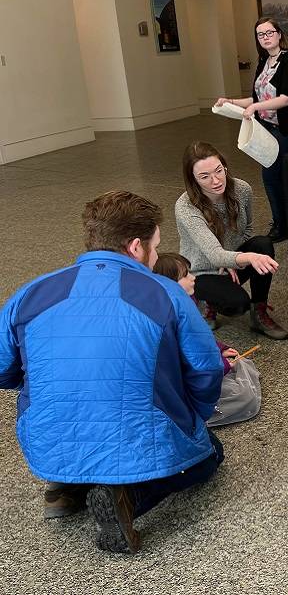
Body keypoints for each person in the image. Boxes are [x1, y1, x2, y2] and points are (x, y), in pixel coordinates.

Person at [0, 191, 225, 554]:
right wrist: (192, 416)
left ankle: (65, 484)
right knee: (210, 456)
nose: (155, 255)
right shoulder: (166, 293)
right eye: (155, 247)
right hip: (142, 432)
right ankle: (128, 498)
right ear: (136, 247)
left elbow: (2, 370)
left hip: (47, 440)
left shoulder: (31, 292)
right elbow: (207, 368)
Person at [176, 141, 288, 340]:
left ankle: (259, 311)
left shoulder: (242, 189)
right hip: (201, 271)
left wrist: (234, 258)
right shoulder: (186, 207)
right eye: (205, 176)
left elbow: (248, 230)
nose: (216, 180)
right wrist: (238, 258)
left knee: (262, 244)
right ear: (193, 179)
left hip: (228, 260)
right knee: (237, 304)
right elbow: (213, 254)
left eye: (219, 170)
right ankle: (206, 303)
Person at [215, 17, 288, 242]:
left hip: (284, 132)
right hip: (266, 130)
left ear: (279, 34)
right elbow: (255, 98)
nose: (265, 37)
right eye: (260, 34)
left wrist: (255, 106)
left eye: (269, 32)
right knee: (274, 177)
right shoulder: (264, 62)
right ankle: (285, 222)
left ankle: (283, 225)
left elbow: (285, 99)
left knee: (273, 176)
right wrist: (231, 101)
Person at [153, 253, 239, 375]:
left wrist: (219, 350)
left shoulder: (186, 300)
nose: (193, 277)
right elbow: (193, 354)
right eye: (185, 275)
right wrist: (222, 365)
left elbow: (200, 336)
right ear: (169, 284)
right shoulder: (172, 317)